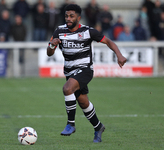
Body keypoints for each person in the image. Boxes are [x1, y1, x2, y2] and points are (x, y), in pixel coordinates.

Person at [46, 4, 126, 143]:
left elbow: (108, 41)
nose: (68, 18)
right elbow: (49, 52)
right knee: (83, 102)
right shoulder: (59, 31)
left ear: (78, 17)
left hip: (85, 70)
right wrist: (52, 45)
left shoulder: (88, 31)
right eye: (66, 16)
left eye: (71, 16)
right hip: (70, 72)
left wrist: (119, 55)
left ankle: (71, 124)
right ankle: (98, 127)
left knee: (67, 88)